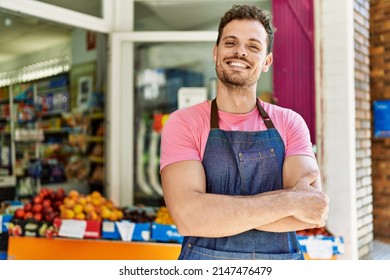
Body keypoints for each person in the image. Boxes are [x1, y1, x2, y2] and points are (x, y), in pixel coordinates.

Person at [159, 4, 329, 260]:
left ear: (267, 61)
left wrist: (216, 213)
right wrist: (287, 201)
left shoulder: (290, 122)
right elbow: (189, 217)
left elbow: (309, 210)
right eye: (230, 43)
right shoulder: (184, 122)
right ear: (215, 52)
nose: (240, 51)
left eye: (253, 46)